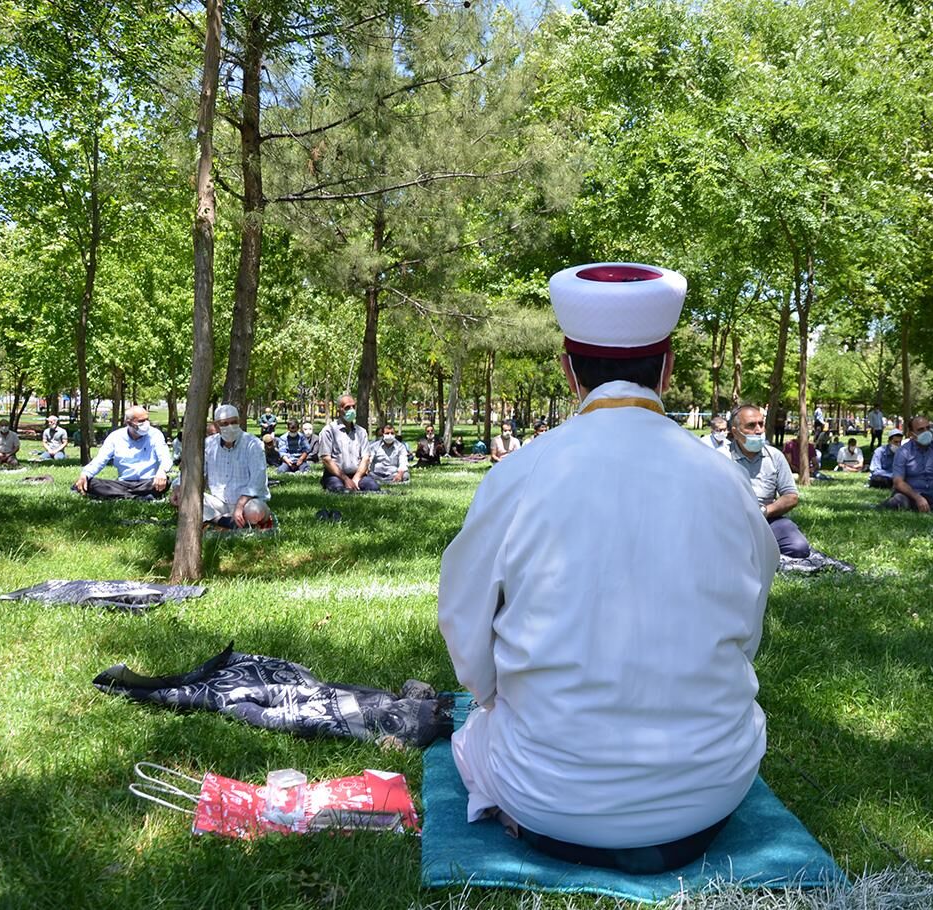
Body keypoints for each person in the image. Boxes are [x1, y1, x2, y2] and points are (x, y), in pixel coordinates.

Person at [438, 261, 777, 873]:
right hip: (711, 791)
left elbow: (466, 634)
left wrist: (494, 699)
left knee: (474, 736)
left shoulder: (520, 473)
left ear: (568, 370)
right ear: (667, 368)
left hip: (548, 798)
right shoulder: (726, 480)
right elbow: (747, 633)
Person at [728, 405, 811, 558]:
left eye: (761, 424)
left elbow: (791, 496)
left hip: (767, 519)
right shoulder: (721, 457)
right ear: (735, 432)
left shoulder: (775, 456)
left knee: (799, 548)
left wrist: (764, 511)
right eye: (751, 425)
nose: (758, 430)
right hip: (730, 521)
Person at [172, 405, 272, 529]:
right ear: (216, 425)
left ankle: (219, 521)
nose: (230, 427)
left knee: (254, 511)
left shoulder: (253, 444)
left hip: (248, 502)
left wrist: (240, 505)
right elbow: (195, 472)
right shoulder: (209, 444)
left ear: (239, 421)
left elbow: (257, 481)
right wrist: (178, 487)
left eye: (234, 422)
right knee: (186, 497)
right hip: (219, 502)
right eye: (224, 423)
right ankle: (226, 522)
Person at [74, 407, 172, 500]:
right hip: (124, 483)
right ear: (129, 423)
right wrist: (85, 474)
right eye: (141, 421)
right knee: (90, 483)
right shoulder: (115, 437)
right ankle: (137, 497)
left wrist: (162, 471)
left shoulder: (155, 434)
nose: (146, 423)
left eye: (147, 419)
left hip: (148, 482)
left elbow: (165, 457)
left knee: (166, 481)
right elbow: (100, 460)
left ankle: (121, 495)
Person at [880, 416, 933, 513]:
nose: (926, 432)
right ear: (911, 434)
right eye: (920, 430)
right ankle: (919, 506)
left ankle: (922, 507)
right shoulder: (903, 451)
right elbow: (898, 482)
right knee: (899, 501)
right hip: (909, 496)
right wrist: (918, 498)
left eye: (928, 428)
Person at [317, 395, 380, 493]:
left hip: (358, 474)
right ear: (339, 409)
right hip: (335, 475)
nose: (351, 410)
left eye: (353, 407)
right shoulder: (329, 431)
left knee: (374, 488)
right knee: (339, 489)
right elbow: (326, 459)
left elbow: (366, 458)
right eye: (347, 407)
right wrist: (345, 479)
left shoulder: (361, 432)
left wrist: (356, 479)